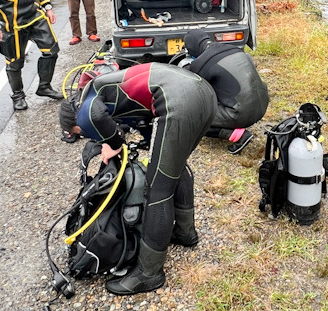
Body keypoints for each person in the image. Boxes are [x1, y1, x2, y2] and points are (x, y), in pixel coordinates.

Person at [58, 62, 217, 295]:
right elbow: (147, 129)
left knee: (158, 188)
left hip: (179, 99)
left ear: (74, 124)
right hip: (202, 93)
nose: (83, 135)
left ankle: (149, 274)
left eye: (78, 133)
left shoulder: (86, 103)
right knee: (175, 167)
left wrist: (112, 144)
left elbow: (94, 116)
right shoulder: (114, 97)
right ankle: (185, 233)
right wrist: (119, 142)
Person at [179, 29, 269, 154]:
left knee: (193, 115)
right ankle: (235, 119)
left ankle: (238, 135)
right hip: (262, 106)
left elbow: (192, 93)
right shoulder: (231, 48)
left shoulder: (202, 62)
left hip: (242, 113)